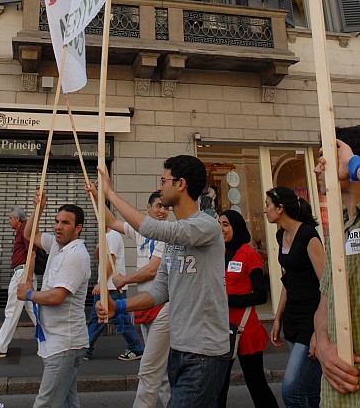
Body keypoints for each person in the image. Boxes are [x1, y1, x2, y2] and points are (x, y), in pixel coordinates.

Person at [95, 155, 230, 408]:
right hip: (179, 349)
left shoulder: (206, 225)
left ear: (181, 184)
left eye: (163, 180)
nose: (160, 187)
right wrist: (119, 307)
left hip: (205, 353)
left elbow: (156, 230)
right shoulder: (173, 237)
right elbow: (160, 290)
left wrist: (111, 194)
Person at [86, 185, 171, 408]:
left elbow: (153, 269)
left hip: (163, 306)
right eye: (159, 206)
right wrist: (97, 195)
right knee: (162, 375)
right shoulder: (141, 231)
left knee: (149, 369)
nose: (162, 211)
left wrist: (125, 279)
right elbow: (112, 222)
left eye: (166, 208)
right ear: (148, 208)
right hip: (144, 304)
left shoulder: (168, 234)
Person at [17, 189, 90, 408]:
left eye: (66, 223)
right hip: (56, 341)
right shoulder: (56, 245)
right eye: (57, 221)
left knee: (47, 403)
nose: (58, 227)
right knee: (67, 400)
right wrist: (37, 210)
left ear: (78, 229)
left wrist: (29, 294)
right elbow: (29, 235)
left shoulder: (75, 255)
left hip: (64, 344)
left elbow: (58, 296)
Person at [313, 126, 360, 407]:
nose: (318, 170)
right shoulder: (339, 230)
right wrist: (324, 347)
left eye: (323, 160)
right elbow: (325, 300)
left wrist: (354, 165)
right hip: (335, 393)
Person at [265, 186, 324, 408]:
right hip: (292, 317)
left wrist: (321, 331)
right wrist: (278, 317)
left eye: (268, 205)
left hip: (311, 320)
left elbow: (326, 283)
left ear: (280, 208)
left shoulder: (308, 235)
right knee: (309, 390)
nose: (265, 210)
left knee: (291, 391)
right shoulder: (281, 235)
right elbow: (288, 281)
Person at [217, 210, 278, 408]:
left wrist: (228, 300)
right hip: (222, 329)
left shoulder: (249, 253)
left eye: (225, 224)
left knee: (256, 384)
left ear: (236, 226)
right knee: (219, 387)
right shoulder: (219, 253)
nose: (221, 229)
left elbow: (261, 295)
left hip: (245, 331)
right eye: (219, 224)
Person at [0, 206, 36, 358]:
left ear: (17, 219)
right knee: (34, 310)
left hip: (22, 274)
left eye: (10, 218)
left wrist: (28, 278)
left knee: (12, 310)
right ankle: (50, 343)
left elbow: (32, 253)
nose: (8, 221)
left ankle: (0, 347)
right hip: (23, 273)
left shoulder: (24, 231)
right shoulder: (21, 231)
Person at [84, 227, 144, 362]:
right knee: (102, 318)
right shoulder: (105, 235)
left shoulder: (113, 235)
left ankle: (86, 349)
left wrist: (101, 283)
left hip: (111, 287)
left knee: (116, 319)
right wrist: (99, 244)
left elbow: (111, 261)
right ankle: (86, 349)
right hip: (109, 286)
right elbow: (98, 256)